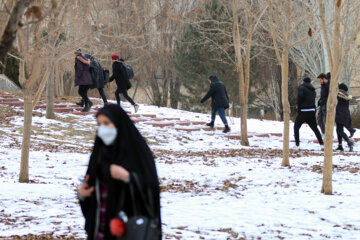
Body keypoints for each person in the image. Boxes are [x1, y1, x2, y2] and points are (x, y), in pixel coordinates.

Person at [77, 104, 161, 240]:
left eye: (107, 123)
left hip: (129, 231)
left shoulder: (138, 152)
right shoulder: (99, 154)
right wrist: (82, 194)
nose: (102, 128)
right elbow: (92, 189)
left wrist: (128, 177)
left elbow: (151, 188)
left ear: (118, 123)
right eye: (99, 124)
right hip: (100, 231)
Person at [294, 77, 323, 147]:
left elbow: (300, 96)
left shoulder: (301, 87)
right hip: (311, 111)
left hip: (303, 111)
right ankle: (321, 142)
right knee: (315, 128)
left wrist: (298, 106)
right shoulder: (313, 89)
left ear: (303, 81)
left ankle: (297, 143)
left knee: (296, 127)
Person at [335, 83, 354, 151]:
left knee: (339, 130)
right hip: (345, 114)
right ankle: (340, 145)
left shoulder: (339, 95)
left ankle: (349, 143)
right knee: (338, 130)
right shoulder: (346, 96)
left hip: (339, 114)